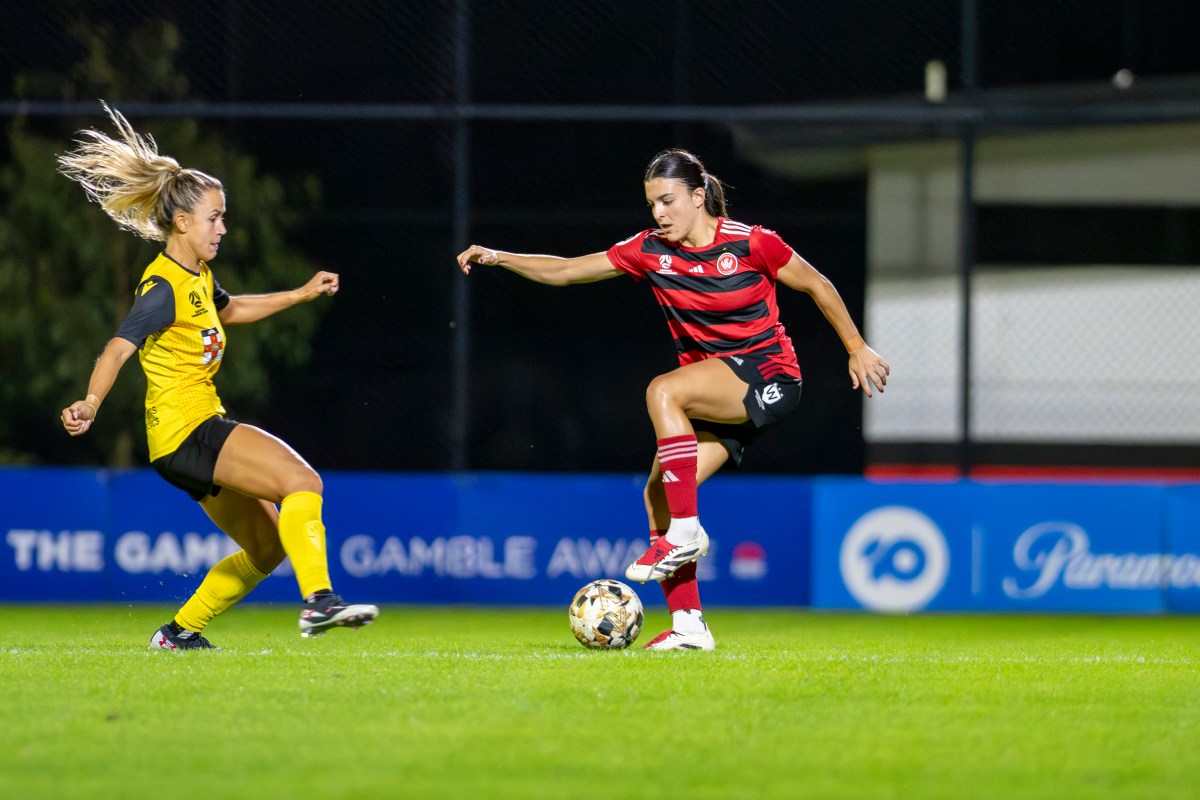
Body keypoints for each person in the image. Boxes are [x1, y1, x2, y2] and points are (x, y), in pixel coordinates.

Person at [457, 148, 889, 651]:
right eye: (652, 205)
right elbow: (569, 271)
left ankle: (685, 530)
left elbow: (817, 284)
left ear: (698, 196)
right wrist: (498, 256)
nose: (659, 213)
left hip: (769, 377)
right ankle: (689, 626)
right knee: (658, 493)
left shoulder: (752, 243)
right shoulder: (650, 250)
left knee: (663, 389)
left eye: (668, 201)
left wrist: (856, 347)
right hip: (718, 392)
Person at [58, 104, 378, 649]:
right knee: (303, 483)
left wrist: (299, 293)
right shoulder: (163, 287)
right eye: (216, 217)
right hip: (190, 429)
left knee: (268, 548)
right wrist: (90, 401)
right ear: (182, 222)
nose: (223, 228)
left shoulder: (198, 277)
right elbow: (117, 348)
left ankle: (180, 632)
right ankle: (321, 603)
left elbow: (232, 309)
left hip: (180, 441)